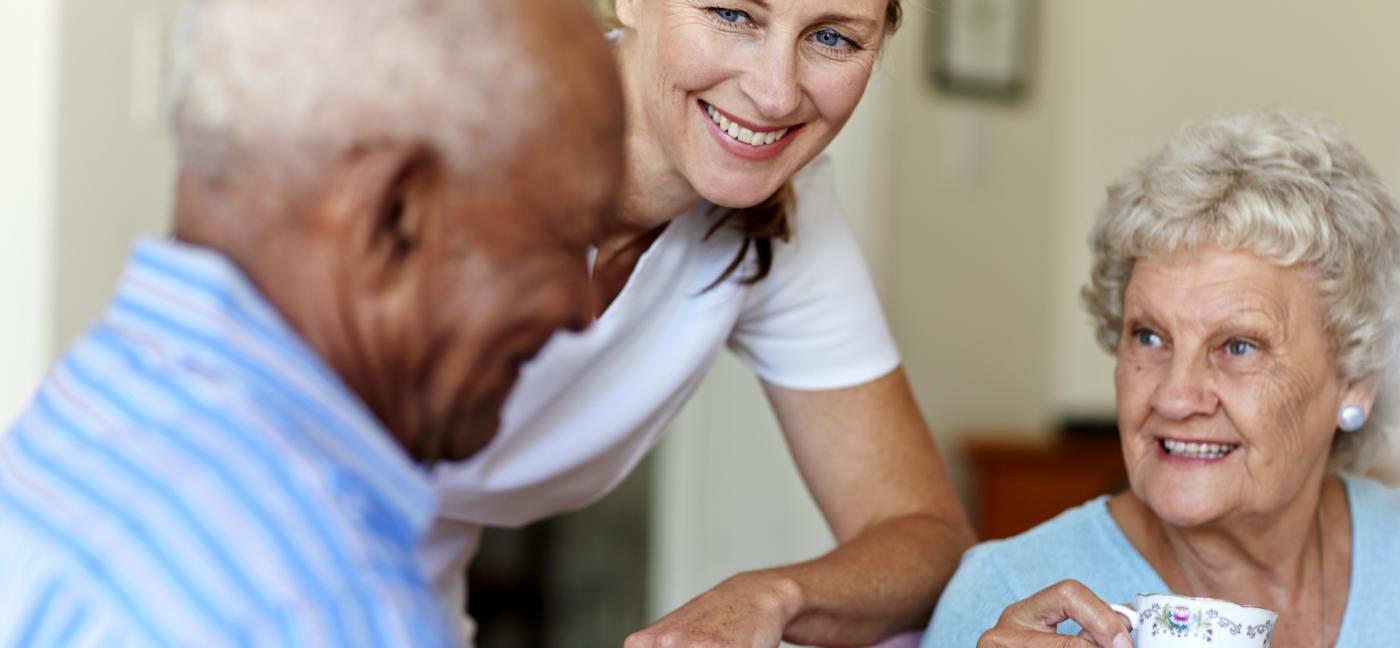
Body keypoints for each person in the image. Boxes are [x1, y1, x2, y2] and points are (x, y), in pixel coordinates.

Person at [0, 0, 623, 644]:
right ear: (395, 216)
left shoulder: (86, 422)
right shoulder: (321, 608)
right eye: (565, 234)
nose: (581, 312)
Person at [421, 0, 976, 645]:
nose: (774, 93)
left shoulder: (787, 219)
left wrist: (771, 598)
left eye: (830, 37)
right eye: (732, 13)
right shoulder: (455, 132)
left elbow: (927, 535)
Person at [922, 111, 1400, 648]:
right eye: (1149, 337)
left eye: (1238, 346)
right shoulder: (1005, 598)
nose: (1175, 397)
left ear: (1357, 377)